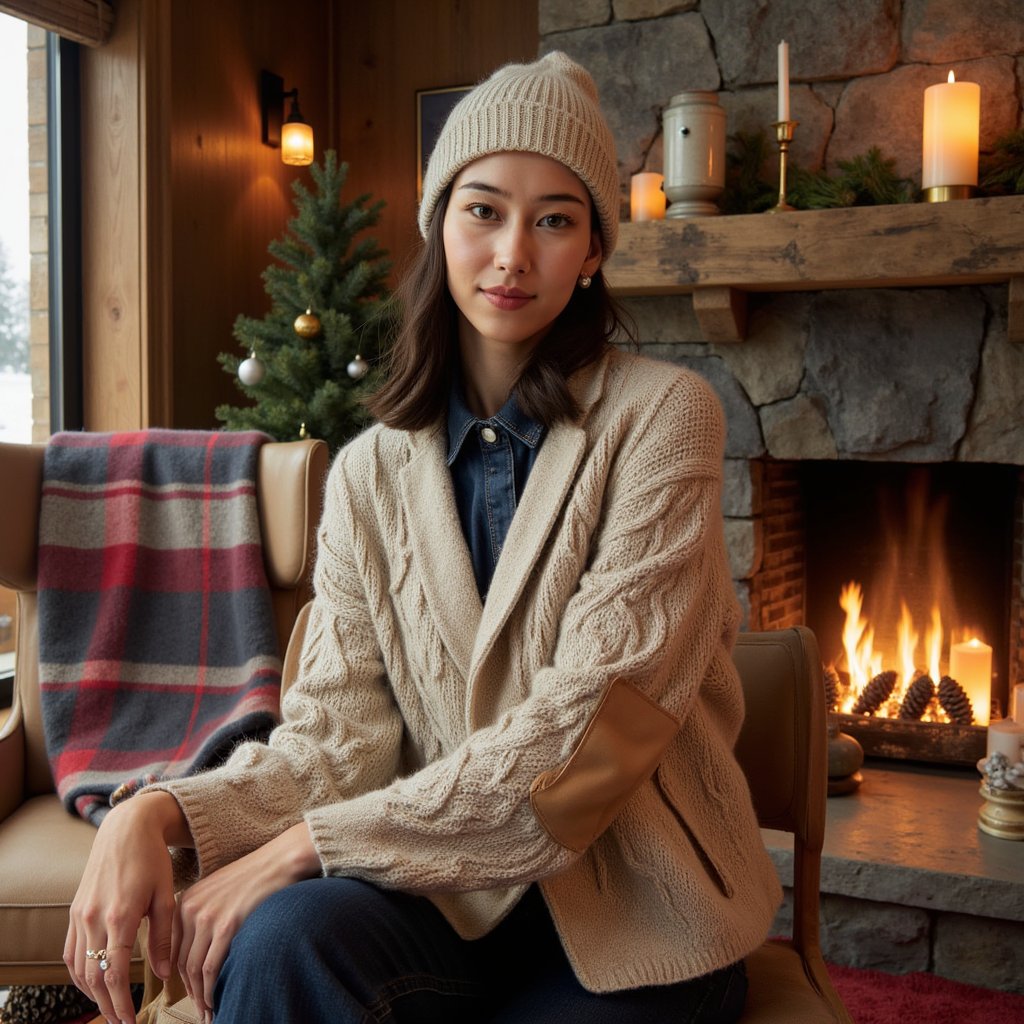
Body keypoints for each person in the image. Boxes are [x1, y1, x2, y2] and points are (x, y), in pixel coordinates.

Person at [66, 51, 781, 1024]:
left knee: (288, 902)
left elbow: (583, 754)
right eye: (482, 209)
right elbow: (332, 743)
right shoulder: (366, 472)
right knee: (277, 946)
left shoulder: (664, 422)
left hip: (633, 925)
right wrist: (157, 811)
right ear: (438, 220)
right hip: (438, 901)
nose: (512, 254)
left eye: (555, 219)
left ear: (595, 251)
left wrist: (300, 848)